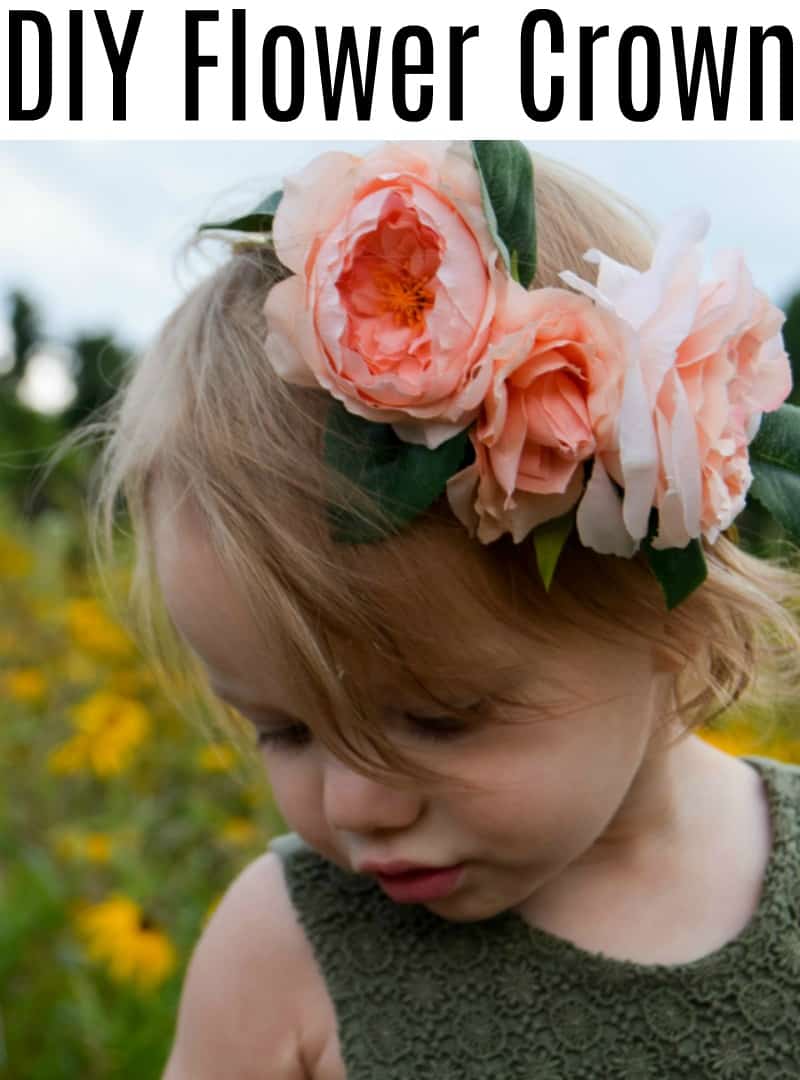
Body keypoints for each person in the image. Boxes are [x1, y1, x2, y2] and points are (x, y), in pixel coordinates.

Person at [71, 142, 800, 1077]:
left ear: (670, 616)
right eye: (283, 730)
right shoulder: (286, 958)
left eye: (439, 719)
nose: (355, 805)